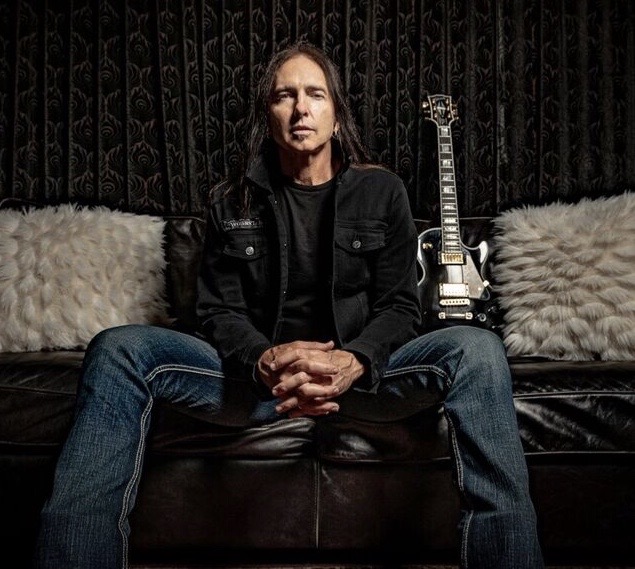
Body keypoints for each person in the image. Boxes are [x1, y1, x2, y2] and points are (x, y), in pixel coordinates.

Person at [35, 42, 544, 569]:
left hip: (362, 382)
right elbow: (217, 312)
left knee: (478, 349)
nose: (301, 108)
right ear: (268, 114)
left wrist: (353, 361)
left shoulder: (382, 191)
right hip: (256, 384)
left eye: (315, 94)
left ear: (336, 114)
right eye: (285, 96)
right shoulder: (230, 200)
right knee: (117, 348)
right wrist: (264, 359)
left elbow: (399, 307)